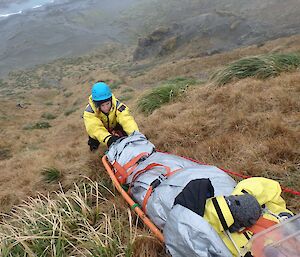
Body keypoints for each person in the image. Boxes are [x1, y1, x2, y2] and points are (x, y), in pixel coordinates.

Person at [83, 81, 139, 150]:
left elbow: (127, 120)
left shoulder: (118, 105)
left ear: (111, 101)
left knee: (127, 134)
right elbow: (95, 128)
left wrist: (136, 134)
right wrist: (108, 139)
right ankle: (94, 150)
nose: (106, 108)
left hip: (114, 125)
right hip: (100, 128)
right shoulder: (89, 112)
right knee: (93, 139)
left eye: (108, 104)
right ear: (97, 105)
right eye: (102, 105)